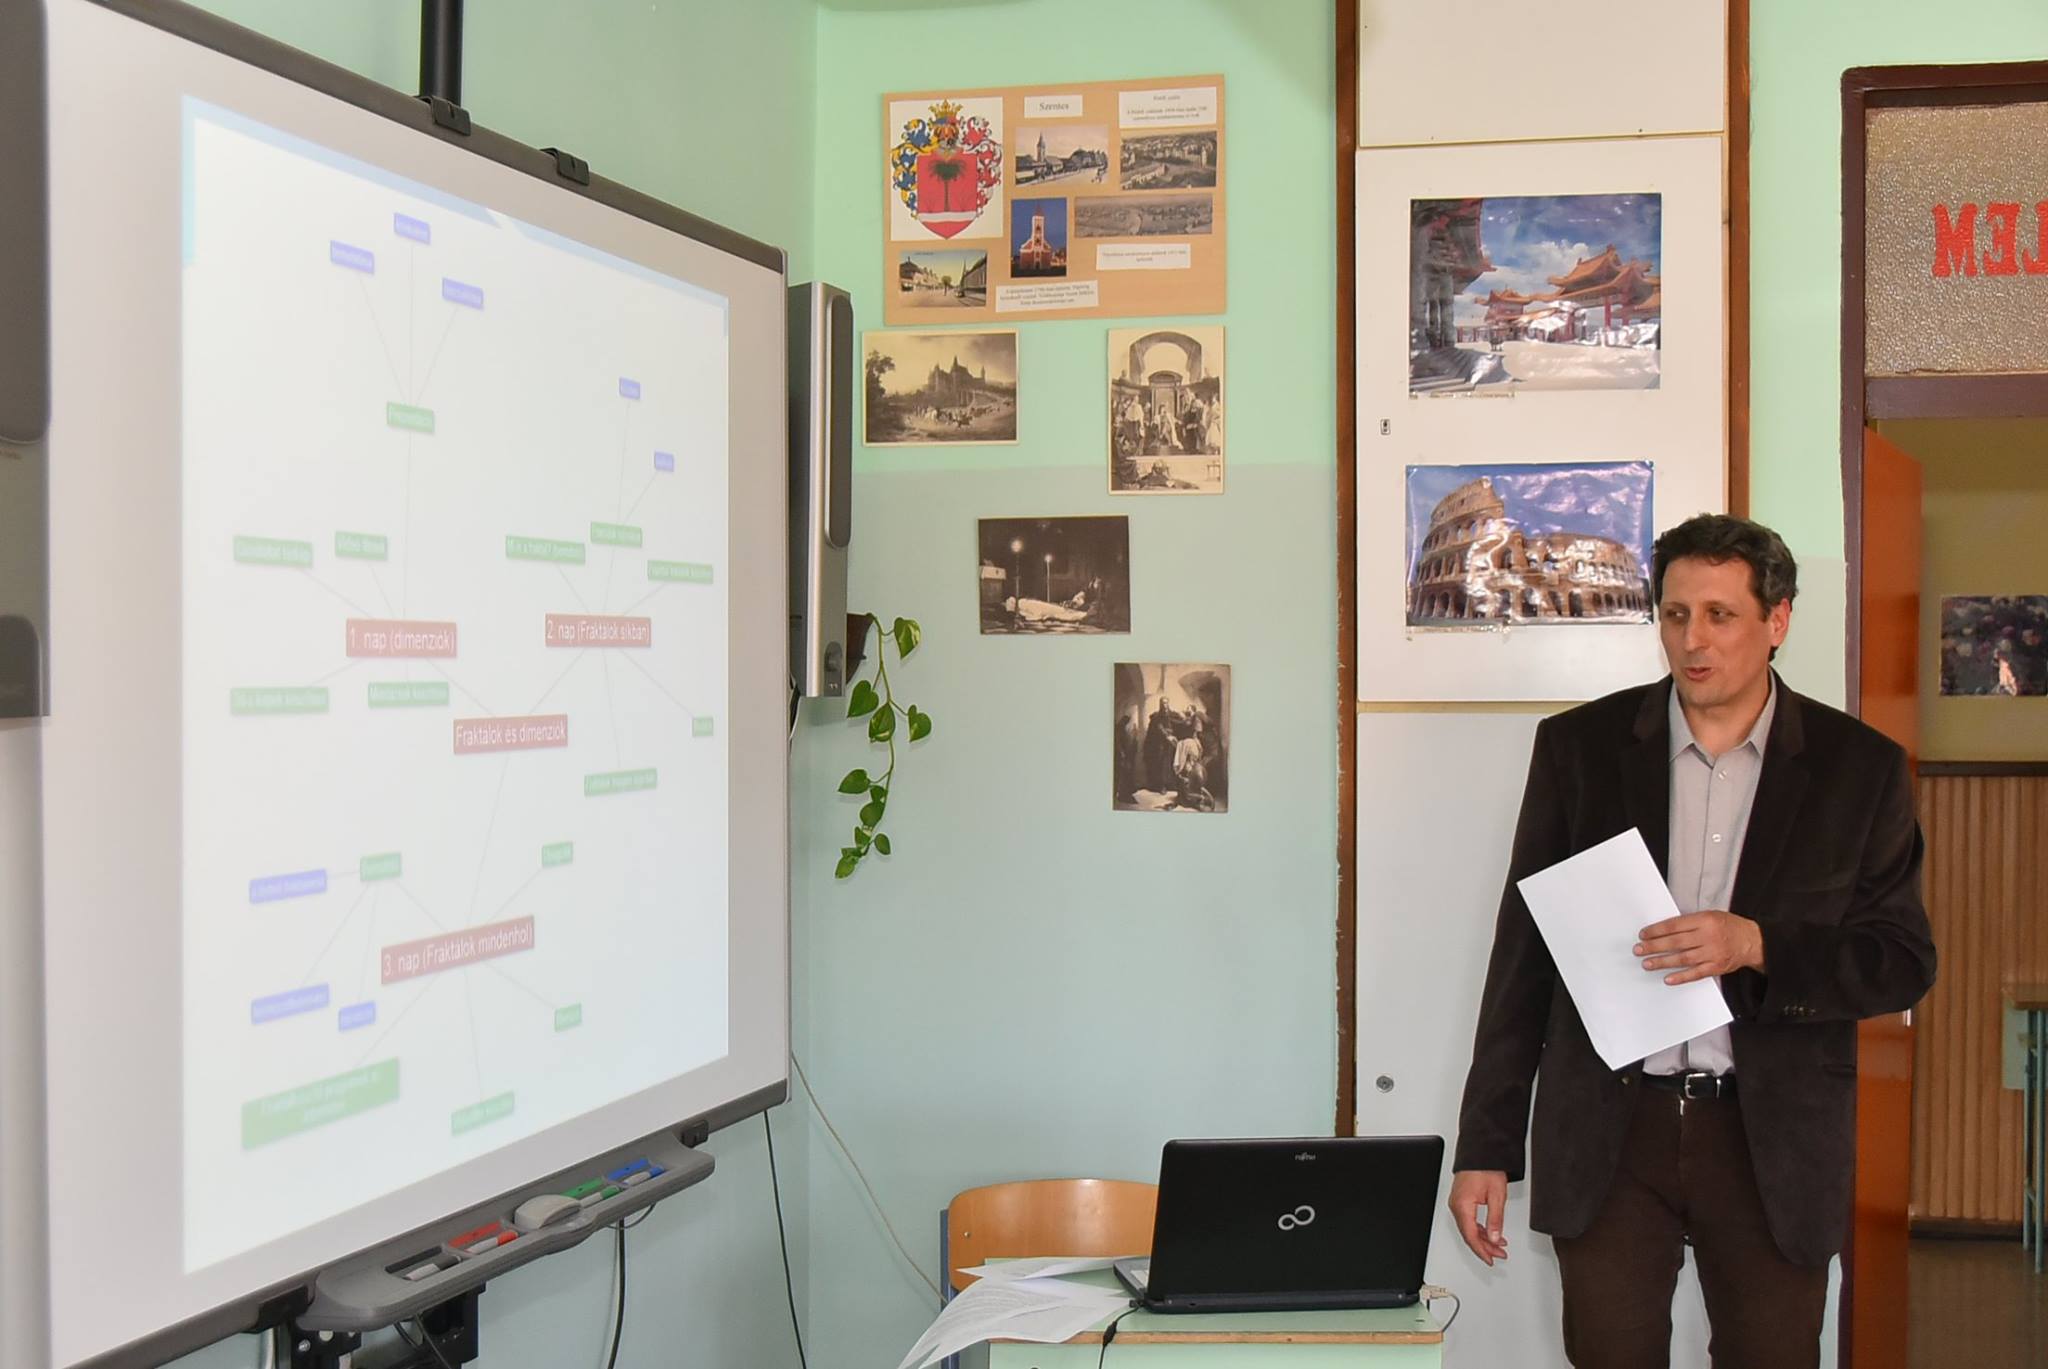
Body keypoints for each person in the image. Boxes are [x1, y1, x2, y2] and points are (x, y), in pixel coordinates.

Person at [1448, 514, 1936, 1369]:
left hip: (1769, 1136)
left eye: (1720, 615)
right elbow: (1523, 958)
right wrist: (1486, 1145)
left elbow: (1900, 960)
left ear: (1777, 620)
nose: (1692, 640)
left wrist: (1758, 944)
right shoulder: (1579, 749)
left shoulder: (1860, 768)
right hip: (1611, 1131)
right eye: (1675, 614)